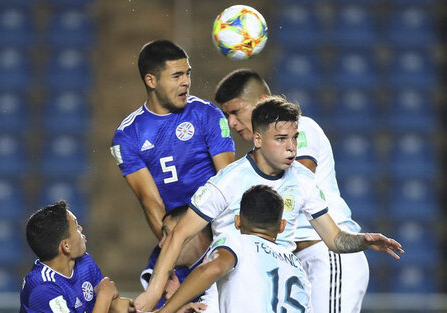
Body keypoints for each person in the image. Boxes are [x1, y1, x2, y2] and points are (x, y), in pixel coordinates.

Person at [134, 97, 403, 311]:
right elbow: (180, 234)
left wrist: (363, 241)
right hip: (231, 281)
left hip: (280, 279)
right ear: (258, 139)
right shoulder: (228, 182)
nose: (292, 148)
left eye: (294, 137)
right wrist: (155, 290)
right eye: (281, 139)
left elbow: (334, 239)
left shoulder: (302, 180)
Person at [214, 68, 369, 312]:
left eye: (236, 111)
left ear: (262, 101)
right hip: (291, 261)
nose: (231, 122)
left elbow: (292, 182)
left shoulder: (300, 128)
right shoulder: (253, 160)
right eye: (226, 115)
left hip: (325, 253)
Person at [110, 39, 235, 240]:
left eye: (188, 73)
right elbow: (151, 202)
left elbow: (229, 182)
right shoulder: (128, 136)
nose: (186, 82)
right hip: (178, 236)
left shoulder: (207, 114)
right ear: (151, 81)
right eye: (177, 76)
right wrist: (175, 252)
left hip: (221, 229)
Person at [158, 185, 312, 313]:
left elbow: (211, 269)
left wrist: (166, 311)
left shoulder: (235, 242)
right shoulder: (297, 266)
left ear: (237, 221)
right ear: (282, 226)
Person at [20, 200, 134, 313]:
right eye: (76, 227)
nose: (81, 229)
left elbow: (103, 305)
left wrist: (123, 307)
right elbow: (103, 299)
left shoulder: (85, 262)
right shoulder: (43, 288)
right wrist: (104, 297)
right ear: (66, 246)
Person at [140, 205, 216, 312]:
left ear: (192, 231)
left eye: (169, 234)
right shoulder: (169, 273)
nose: (161, 244)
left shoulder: (223, 257)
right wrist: (176, 303)